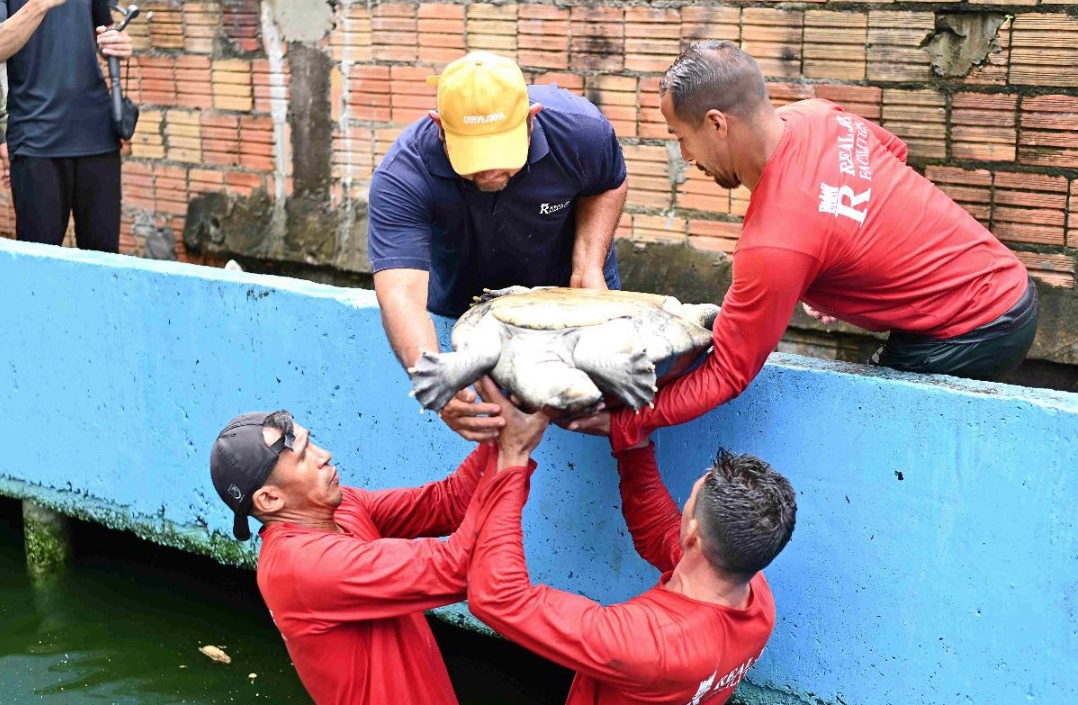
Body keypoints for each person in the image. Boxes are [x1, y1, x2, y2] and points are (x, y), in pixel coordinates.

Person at [579, 41, 1039, 451]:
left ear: (717, 124)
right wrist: (843, 255)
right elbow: (891, 154)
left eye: (683, 137)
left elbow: (726, 373)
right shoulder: (817, 115)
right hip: (1009, 283)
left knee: (882, 444)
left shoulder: (775, 243)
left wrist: (624, 423)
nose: (686, 157)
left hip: (976, 328)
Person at [467, 379, 797, 705]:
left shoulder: (651, 642)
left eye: (688, 502)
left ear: (694, 536)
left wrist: (512, 458)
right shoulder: (756, 594)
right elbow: (659, 530)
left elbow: (499, 598)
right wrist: (630, 436)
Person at [368, 50, 628, 443]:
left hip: (572, 294)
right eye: (475, 155)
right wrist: (436, 380)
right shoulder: (404, 173)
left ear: (532, 118)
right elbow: (401, 294)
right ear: (439, 127)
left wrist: (588, 264)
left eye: (502, 152)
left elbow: (608, 181)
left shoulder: (580, 131)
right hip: (468, 305)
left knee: (607, 412)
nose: (489, 169)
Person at [207, 408, 540, 705]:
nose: (324, 455)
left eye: (312, 442)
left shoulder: (337, 507)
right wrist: (513, 457)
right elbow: (459, 566)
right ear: (269, 499)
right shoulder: (301, 566)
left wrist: (513, 413)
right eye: (304, 455)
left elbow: (450, 501)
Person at [0, 0, 133, 252]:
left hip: (98, 137)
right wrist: (39, 5)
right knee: (39, 270)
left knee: (103, 266)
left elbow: (101, 32)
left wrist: (116, 43)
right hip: (36, 139)